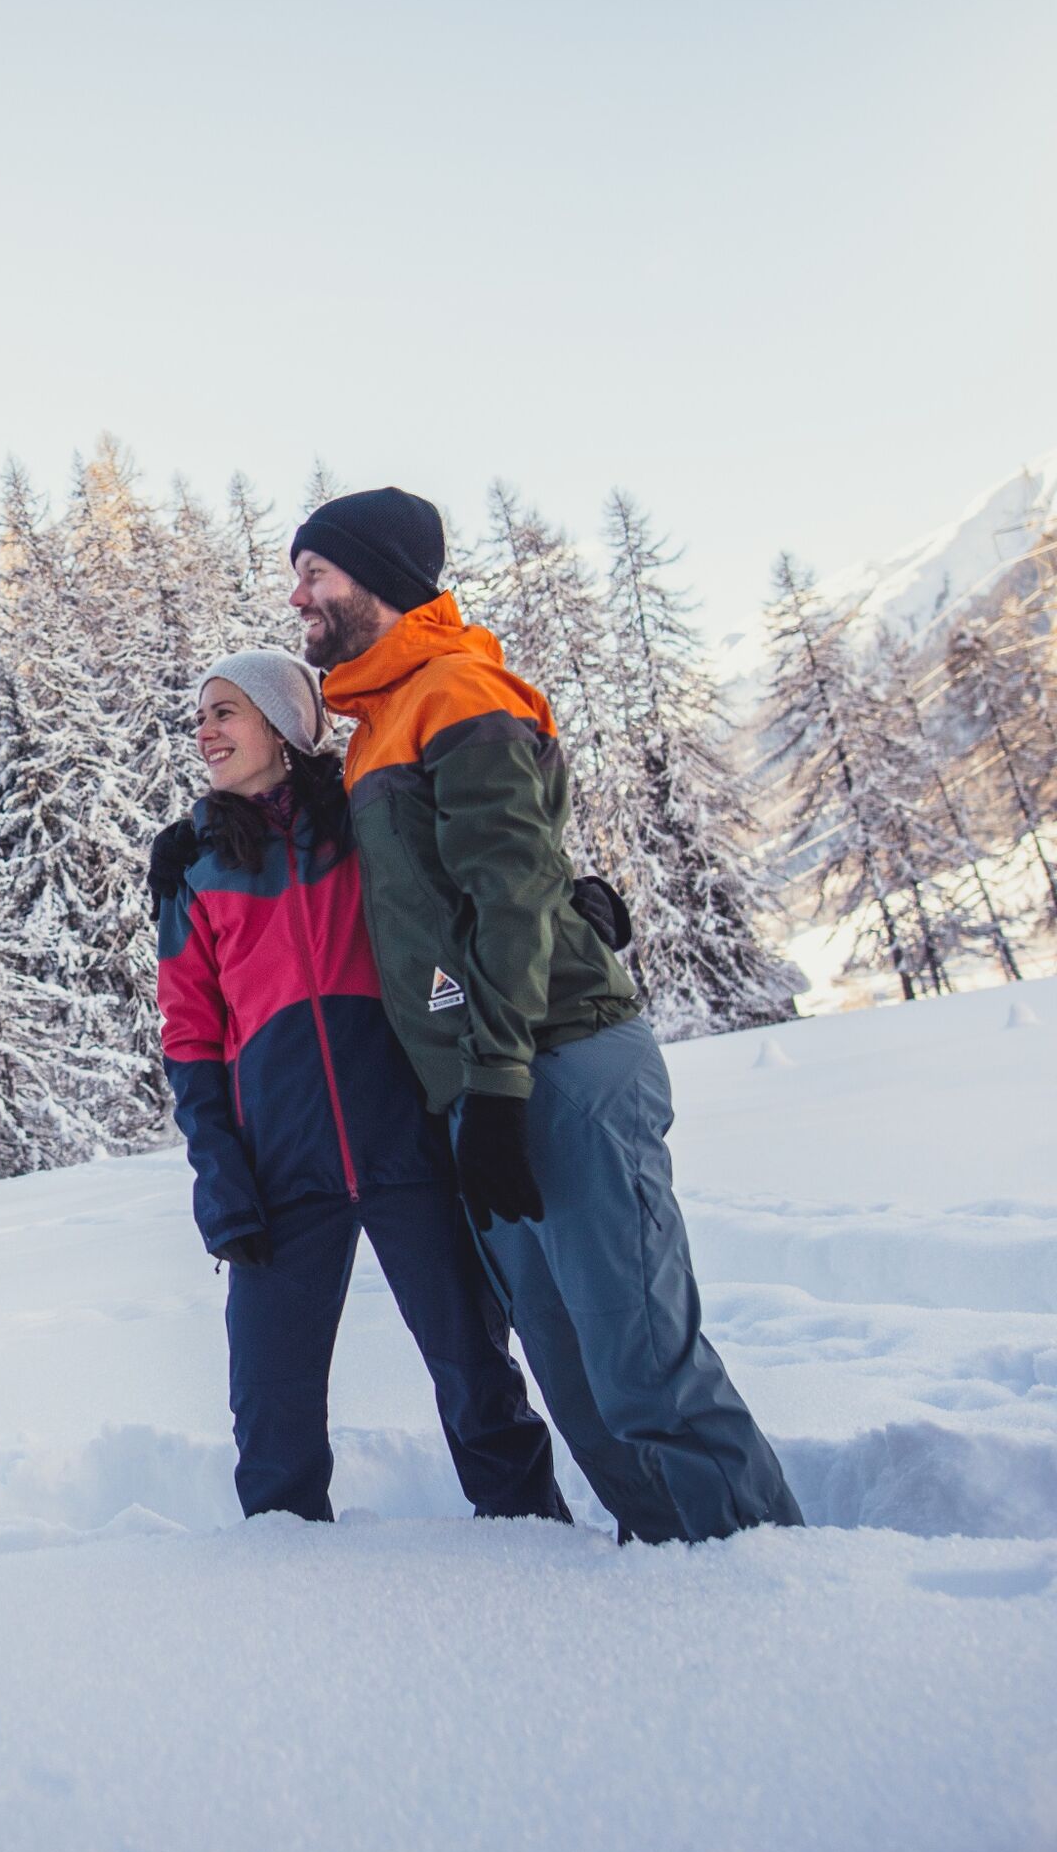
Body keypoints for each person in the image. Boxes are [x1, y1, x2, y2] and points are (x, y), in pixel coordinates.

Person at [288, 484, 803, 1544]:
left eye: (315, 572)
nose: (297, 594)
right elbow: (453, 885)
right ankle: (673, 1578)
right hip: (488, 1084)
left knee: (639, 1364)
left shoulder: (453, 688)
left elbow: (510, 885)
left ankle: (766, 1582)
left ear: (378, 578)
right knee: (574, 1379)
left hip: (552, 1062)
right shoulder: (378, 723)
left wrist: (496, 1079)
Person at [151, 648, 570, 1527]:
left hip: (407, 1144)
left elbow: (482, 874)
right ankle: (288, 1572)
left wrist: (580, 911)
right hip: (278, 1172)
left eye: (225, 711)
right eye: (201, 715)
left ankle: (533, 1540)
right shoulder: (194, 869)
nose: (205, 730)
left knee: (479, 1376)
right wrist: (221, 1178)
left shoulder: (364, 827)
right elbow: (190, 1037)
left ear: (281, 725)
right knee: (270, 1409)